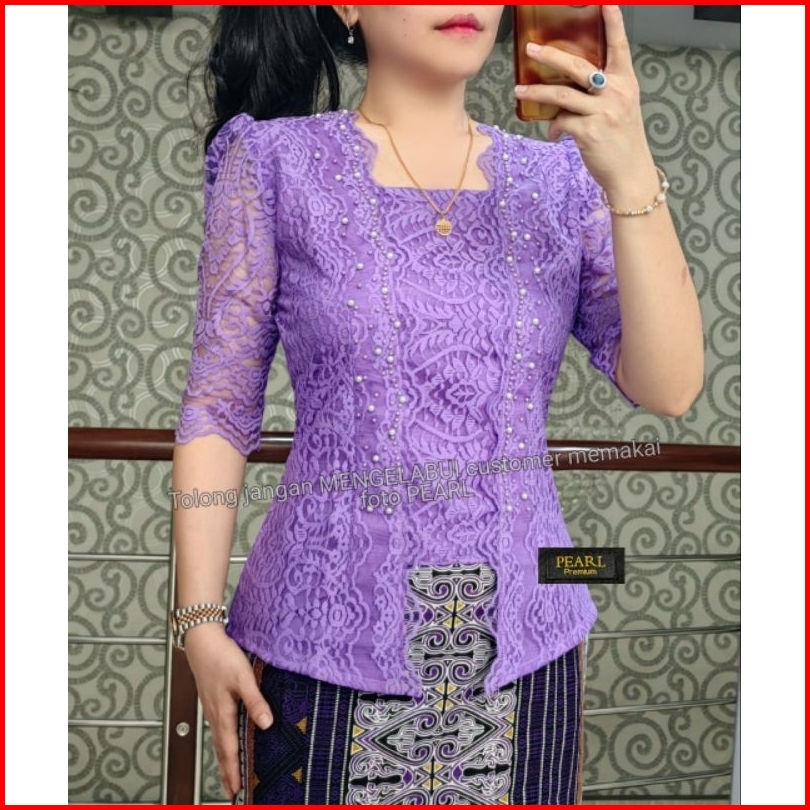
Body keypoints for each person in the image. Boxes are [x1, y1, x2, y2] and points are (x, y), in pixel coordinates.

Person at [170, 4, 703, 805]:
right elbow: (218, 404)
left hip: (530, 653)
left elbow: (669, 386)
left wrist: (630, 174)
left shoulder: (562, 180)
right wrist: (199, 619)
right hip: (319, 649)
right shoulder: (275, 163)